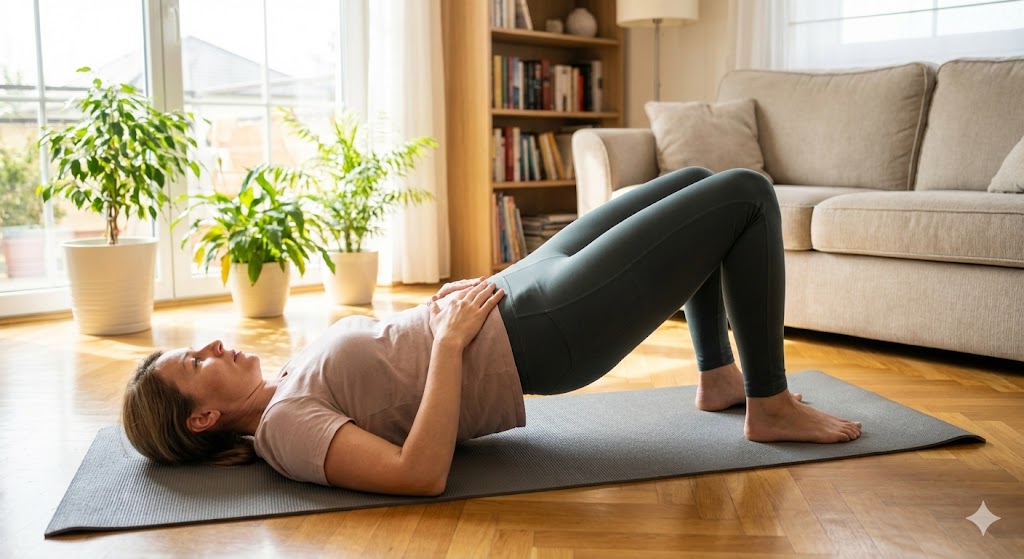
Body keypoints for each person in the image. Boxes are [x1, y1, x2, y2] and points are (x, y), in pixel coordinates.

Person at [122, 167, 862, 497]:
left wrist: (439, 315)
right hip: (542, 331)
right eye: (197, 360)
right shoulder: (284, 430)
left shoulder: (285, 383)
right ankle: (769, 404)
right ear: (203, 416)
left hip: (512, 291)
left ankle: (718, 376)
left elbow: (390, 360)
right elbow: (419, 473)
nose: (213, 344)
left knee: (694, 179)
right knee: (745, 195)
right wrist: (445, 341)